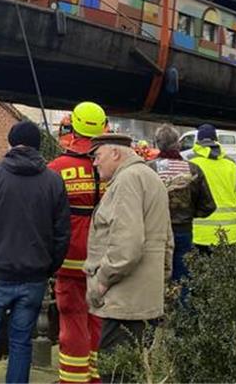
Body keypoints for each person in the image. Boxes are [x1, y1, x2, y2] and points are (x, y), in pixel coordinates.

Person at [0, 120, 70, 384]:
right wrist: (48, 268)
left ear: (11, 143)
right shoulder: (54, 182)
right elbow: (62, 234)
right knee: (22, 342)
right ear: (37, 145)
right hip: (34, 276)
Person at [85, 133, 173, 382]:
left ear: (115, 153)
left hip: (124, 300)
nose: (94, 163)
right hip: (145, 298)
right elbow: (167, 240)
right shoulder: (150, 177)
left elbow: (127, 245)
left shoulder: (127, 181)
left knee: (116, 373)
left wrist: (102, 281)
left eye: (98, 155)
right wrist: (161, 279)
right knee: (135, 371)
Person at [47, 101, 107, 384]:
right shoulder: (111, 165)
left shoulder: (58, 167)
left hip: (69, 257)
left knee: (71, 320)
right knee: (98, 318)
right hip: (104, 257)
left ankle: (72, 379)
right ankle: (96, 376)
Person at [149, 123, 214, 285]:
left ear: (157, 144)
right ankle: (182, 308)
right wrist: (189, 212)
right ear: (178, 144)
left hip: (155, 232)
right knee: (183, 278)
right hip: (183, 230)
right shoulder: (193, 169)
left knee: (154, 278)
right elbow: (208, 206)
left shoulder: (148, 169)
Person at [188, 124, 236, 254]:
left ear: (197, 142)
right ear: (216, 141)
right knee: (226, 272)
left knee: (199, 272)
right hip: (229, 234)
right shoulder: (233, 166)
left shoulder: (191, 164)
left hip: (198, 233)